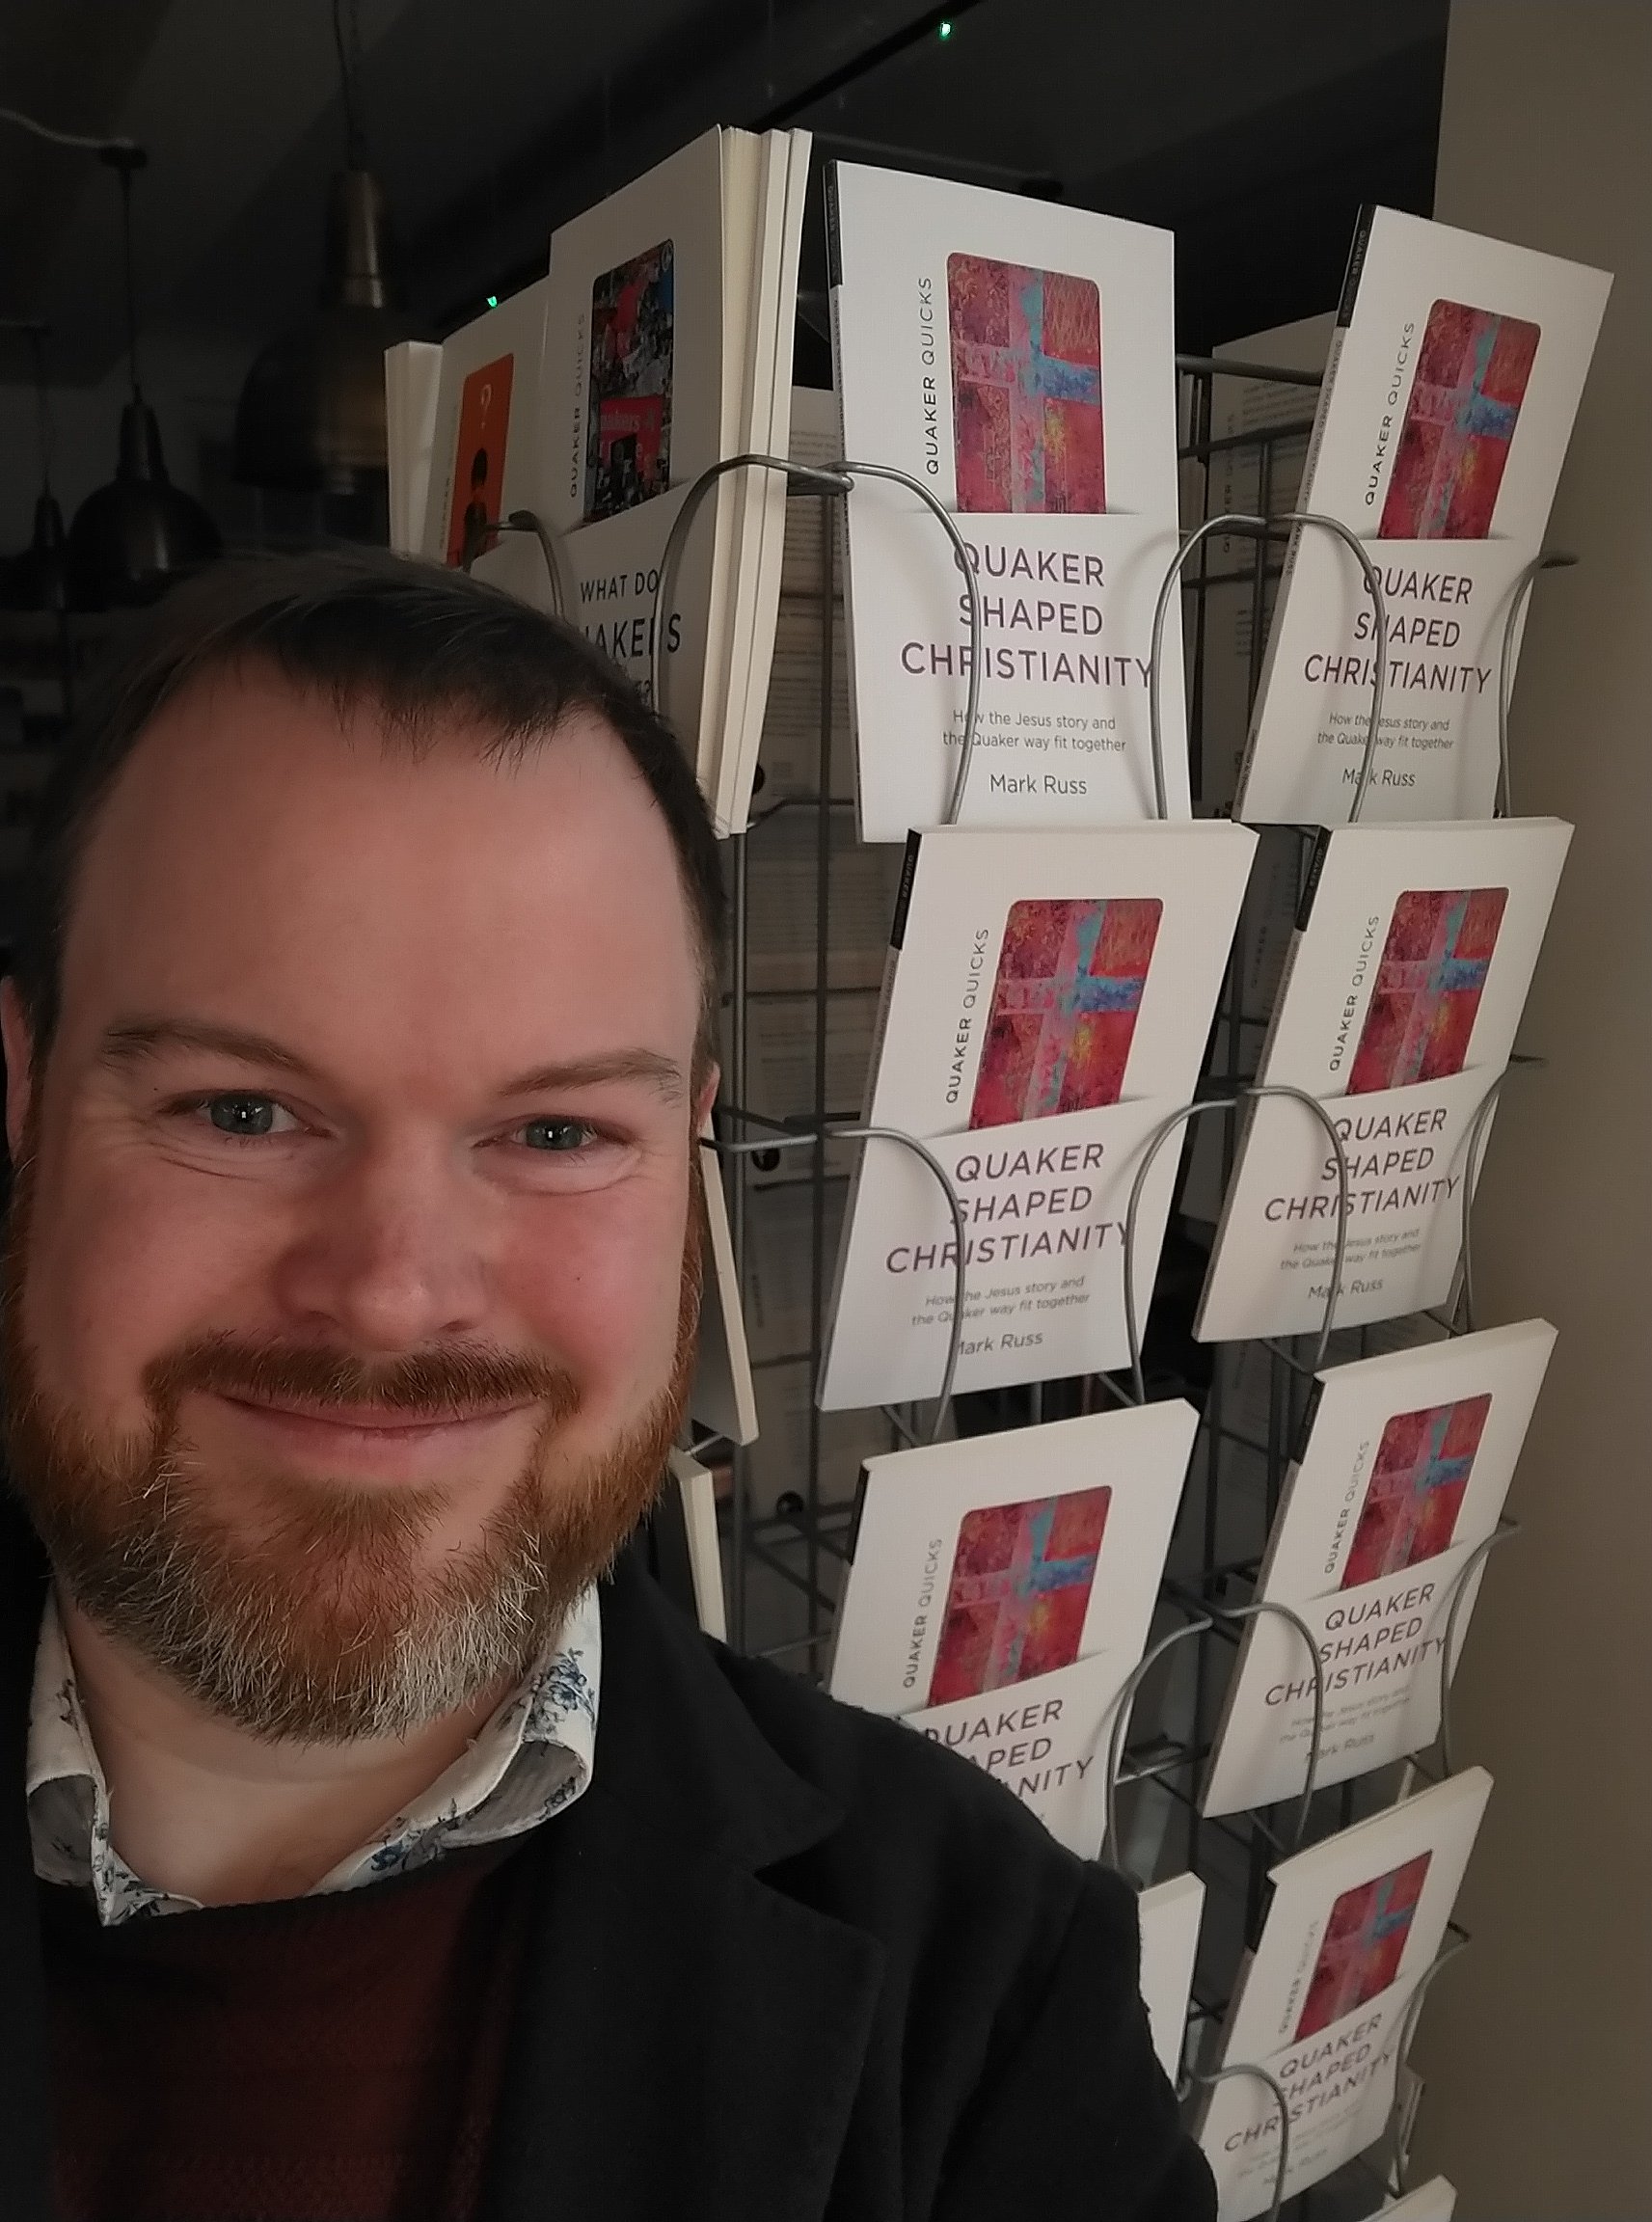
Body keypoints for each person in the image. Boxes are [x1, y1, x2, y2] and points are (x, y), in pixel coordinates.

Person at [0, 551, 1215, 2222]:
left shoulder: (990, 1996)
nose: (392, 1290)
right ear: (24, 1092)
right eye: (239, 1111)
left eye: (557, 1132)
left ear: (687, 1155)